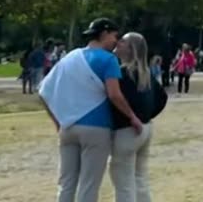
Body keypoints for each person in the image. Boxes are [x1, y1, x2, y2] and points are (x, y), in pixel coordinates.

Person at [39, 18, 143, 202]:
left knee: (66, 183)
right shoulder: (108, 59)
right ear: (104, 34)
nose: (115, 41)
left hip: (68, 127)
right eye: (114, 36)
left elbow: (44, 91)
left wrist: (58, 122)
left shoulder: (70, 57)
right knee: (89, 184)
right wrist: (132, 116)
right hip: (96, 127)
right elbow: (114, 95)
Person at [111, 32, 167, 202]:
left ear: (131, 48)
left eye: (122, 42)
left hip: (127, 130)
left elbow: (115, 98)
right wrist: (146, 116)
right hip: (145, 128)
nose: (118, 43)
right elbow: (162, 98)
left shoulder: (122, 73)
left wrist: (133, 116)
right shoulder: (146, 74)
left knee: (123, 182)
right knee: (139, 178)